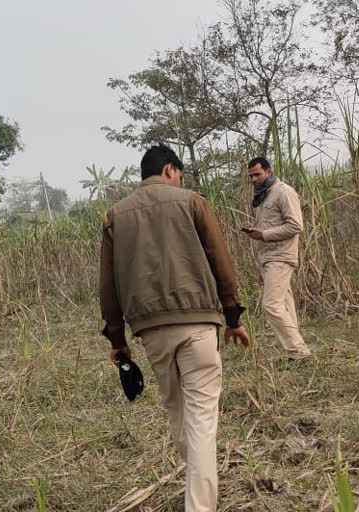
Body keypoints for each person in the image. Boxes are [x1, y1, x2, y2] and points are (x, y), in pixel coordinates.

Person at [99, 143, 250, 512]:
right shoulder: (192, 202)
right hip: (198, 324)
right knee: (200, 421)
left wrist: (117, 339)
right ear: (170, 170)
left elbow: (108, 284)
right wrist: (233, 317)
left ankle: (198, 483)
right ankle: (200, 502)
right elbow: (220, 259)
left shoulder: (115, 216)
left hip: (150, 332)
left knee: (178, 413)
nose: (179, 181)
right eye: (179, 175)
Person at [244, 157, 311, 367]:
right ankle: (297, 355)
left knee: (271, 306)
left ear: (268, 171)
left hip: (281, 256)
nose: (254, 179)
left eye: (257, 174)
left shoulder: (284, 192)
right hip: (269, 258)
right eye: (251, 176)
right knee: (284, 306)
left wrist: (264, 234)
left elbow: (296, 225)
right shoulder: (262, 196)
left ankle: (299, 351)